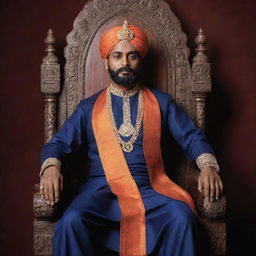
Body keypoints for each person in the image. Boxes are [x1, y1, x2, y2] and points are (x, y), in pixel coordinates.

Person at [39, 20, 223, 256]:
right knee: (71, 221)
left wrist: (208, 166)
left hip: (151, 190)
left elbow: (191, 137)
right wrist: (51, 168)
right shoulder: (88, 108)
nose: (124, 63)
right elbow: (57, 144)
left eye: (132, 56)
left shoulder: (161, 103)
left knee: (182, 218)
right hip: (100, 193)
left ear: (140, 60)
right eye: (117, 56)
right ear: (107, 61)